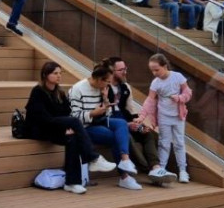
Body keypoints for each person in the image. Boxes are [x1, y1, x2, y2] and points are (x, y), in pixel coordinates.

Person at [24, 62, 113, 194]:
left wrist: (67, 127)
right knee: (75, 122)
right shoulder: (38, 91)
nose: (59, 76)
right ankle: (93, 158)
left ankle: (72, 183)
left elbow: (66, 112)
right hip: (39, 129)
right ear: (45, 75)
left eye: (60, 73)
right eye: (55, 73)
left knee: (73, 138)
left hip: (54, 128)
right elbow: (42, 118)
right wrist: (65, 125)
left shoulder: (59, 92)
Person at [69, 65, 142, 190]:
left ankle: (125, 160)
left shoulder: (102, 88)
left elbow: (107, 114)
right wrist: (93, 113)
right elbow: (74, 117)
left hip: (99, 120)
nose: (108, 84)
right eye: (107, 81)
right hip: (85, 126)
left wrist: (105, 99)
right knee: (115, 137)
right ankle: (124, 177)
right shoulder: (77, 89)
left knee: (121, 123)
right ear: (98, 79)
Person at [104, 56, 165, 181]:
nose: (125, 72)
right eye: (121, 70)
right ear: (111, 71)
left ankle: (156, 167)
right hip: (113, 123)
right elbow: (104, 114)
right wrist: (127, 125)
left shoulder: (125, 87)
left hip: (127, 121)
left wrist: (137, 122)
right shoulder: (104, 87)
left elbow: (131, 109)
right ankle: (148, 169)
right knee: (128, 137)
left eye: (125, 68)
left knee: (147, 133)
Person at [140, 53, 193, 183]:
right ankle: (161, 169)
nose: (154, 73)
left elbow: (188, 92)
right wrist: (142, 116)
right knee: (164, 142)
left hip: (178, 116)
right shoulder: (155, 83)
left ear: (165, 66)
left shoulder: (177, 77)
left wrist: (180, 98)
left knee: (179, 142)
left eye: (156, 69)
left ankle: (182, 170)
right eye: (152, 70)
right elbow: (150, 100)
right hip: (163, 115)